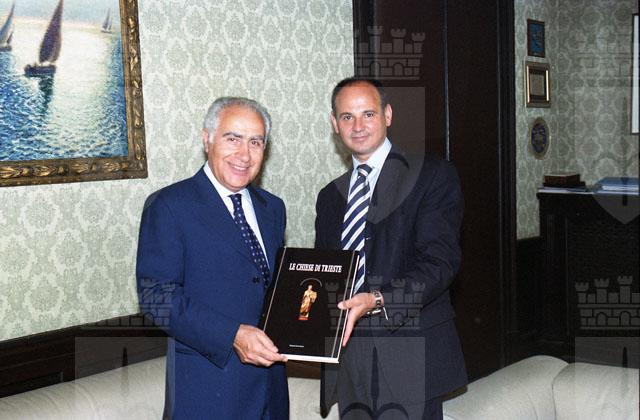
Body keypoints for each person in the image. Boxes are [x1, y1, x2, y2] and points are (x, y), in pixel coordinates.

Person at [315, 77, 467, 419]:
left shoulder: (431, 176)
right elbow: (327, 273)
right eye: (347, 117)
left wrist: (378, 299)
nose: (357, 126)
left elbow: (440, 262)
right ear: (334, 123)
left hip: (409, 351)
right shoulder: (329, 197)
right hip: (348, 353)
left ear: (387, 115)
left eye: (368, 114)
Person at [136, 97, 289, 419]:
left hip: (270, 388)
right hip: (208, 390)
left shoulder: (272, 208)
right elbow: (156, 299)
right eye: (232, 139)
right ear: (207, 139)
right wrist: (232, 335)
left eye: (255, 142)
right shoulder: (169, 206)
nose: (244, 155)